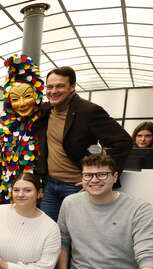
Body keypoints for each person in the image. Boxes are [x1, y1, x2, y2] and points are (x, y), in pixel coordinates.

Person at [35, 66, 133, 221]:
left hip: (76, 187)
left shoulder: (88, 111)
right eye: (50, 87)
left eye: (60, 86)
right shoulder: (45, 110)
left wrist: (99, 177)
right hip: (51, 186)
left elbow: (123, 142)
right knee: (48, 232)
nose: (53, 91)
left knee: (78, 235)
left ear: (72, 87)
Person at [0, 55, 44, 204]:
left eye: (27, 96)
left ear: (36, 94)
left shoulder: (44, 121)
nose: (22, 104)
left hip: (36, 192)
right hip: (7, 189)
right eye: (16, 99)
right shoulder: (1, 124)